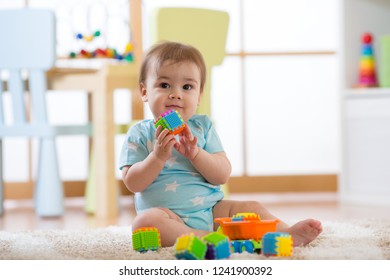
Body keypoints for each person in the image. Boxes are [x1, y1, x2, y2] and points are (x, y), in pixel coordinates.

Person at [119, 41, 322, 247]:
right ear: (144, 92)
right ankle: (204, 239)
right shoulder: (140, 133)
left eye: (187, 87)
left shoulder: (203, 127)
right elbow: (133, 183)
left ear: (198, 96)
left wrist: (196, 153)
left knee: (252, 207)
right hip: (168, 217)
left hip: (212, 212)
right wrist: (158, 157)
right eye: (164, 85)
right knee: (145, 223)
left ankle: (284, 233)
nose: (176, 94)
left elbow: (221, 175)